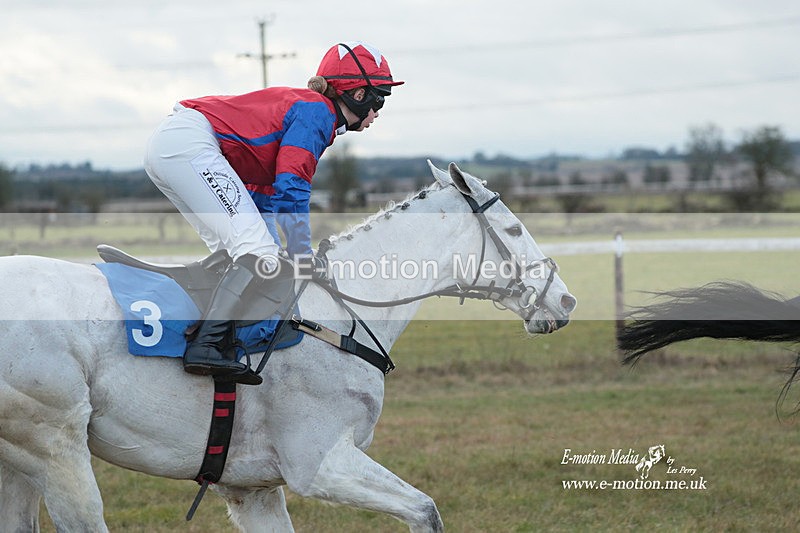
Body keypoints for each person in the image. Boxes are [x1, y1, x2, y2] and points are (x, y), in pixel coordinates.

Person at [144, 41, 403, 384]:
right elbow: (292, 187)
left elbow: (264, 193)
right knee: (257, 251)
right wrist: (301, 255)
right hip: (188, 144)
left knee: (245, 251)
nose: (379, 111)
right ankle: (206, 344)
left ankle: (216, 336)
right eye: (379, 99)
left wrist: (285, 252)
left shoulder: (313, 114)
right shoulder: (317, 113)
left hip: (175, 146)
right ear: (357, 95)